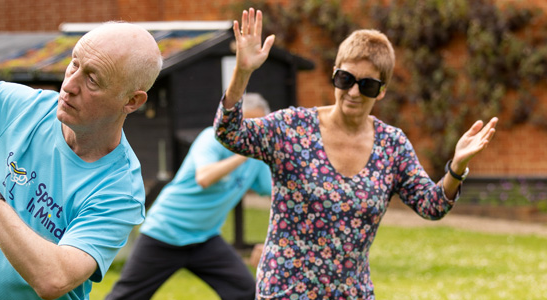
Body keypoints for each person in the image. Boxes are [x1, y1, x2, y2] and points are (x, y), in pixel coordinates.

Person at [213, 9, 499, 299]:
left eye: (368, 85)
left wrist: (457, 167)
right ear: (334, 75)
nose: (353, 92)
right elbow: (229, 132)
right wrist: (243, 72)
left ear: (382, 91)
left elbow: (432, 205)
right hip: (285, 292)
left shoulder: (392, 146)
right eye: (345, 79)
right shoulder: (293, 127)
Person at [0, 0, 162, 299]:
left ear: (132, 101)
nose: (69, 85)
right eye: (74, 64)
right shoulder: (25, 108)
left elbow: (53, 279)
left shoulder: (119, 189)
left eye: (92, 79)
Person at [106, 95, 277, 300]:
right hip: (164, 233)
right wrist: (243, 154)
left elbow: (275, 193)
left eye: (256, 127)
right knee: (125, 297)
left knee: (247, 292)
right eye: (245, 125)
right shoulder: (210, 138)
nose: (250, 134)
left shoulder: (255, 159)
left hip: (205, 239)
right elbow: (204, 177)